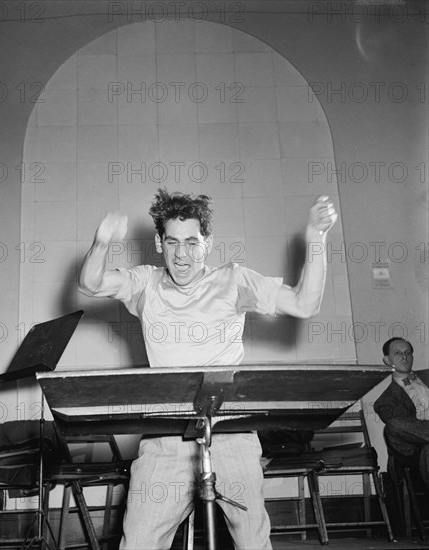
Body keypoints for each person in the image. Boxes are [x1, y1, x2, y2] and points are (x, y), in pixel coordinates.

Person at [78, 189, 337, 550]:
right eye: (172, 243)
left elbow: (305, 304)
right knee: (138, 542)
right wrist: (102, 242)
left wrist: (316, 238)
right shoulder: (145, 283)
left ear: (208, 242)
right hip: (165, 434)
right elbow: (90, 283)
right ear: (158, 243)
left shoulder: (234, 280)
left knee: (252, 541)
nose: (182, 255)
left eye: (192, 242)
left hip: (231, 430)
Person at [374, 337, 429, 490]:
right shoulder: (385, 401)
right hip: (415, 450)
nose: (404, 357)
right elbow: (408, 429)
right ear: (386, 359)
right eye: (397, 353)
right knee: (393, 425)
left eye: (408, 352)